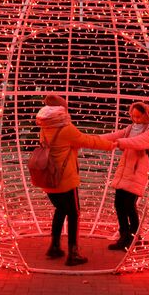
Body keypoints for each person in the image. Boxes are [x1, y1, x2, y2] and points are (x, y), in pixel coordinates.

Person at [35, 94, 115, 266]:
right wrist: (111, 145)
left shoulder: (44, 126)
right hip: (65, 181)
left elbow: (68, 144)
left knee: (60, 210)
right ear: (61, 110)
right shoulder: (66, 129)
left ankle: (55, 246)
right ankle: (73, 253)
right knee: (74, 214)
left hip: (49, 178)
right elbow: (86, 141)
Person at [101, 102, 149, 251]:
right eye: (132, 116)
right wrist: (95, 139)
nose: (135, 119)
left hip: (138, 170)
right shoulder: (130, 128)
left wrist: (120, 143)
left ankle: (134, 238)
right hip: (125, 171)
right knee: (119, 205)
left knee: (129, 206)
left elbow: (139, 142)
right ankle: (124, 235)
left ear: (146, 115)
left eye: (138, 117)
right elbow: (113, 135)